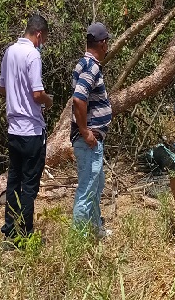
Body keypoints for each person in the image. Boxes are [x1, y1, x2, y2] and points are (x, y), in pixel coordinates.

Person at [0, 14, 53, 240]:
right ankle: (25, 232)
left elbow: (2, 89)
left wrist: (15, 94)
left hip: (13, 129)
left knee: (14, 181)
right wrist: (49, 101)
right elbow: (37, 94)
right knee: (29, 185)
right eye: (44, 38)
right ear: (38, 34)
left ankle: (10, 229)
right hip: (31, 130)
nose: (43, 43)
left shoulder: (9, 52)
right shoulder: (33, 55)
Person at [71, 22, 112, 238]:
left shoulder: (83, 63)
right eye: (107, 43)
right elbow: (79, 98)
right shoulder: (91, 66)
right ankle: (78, 241)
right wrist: (85, 131)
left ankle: (96, 231)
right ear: (103, 43)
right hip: (88, 140)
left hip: (91, 140)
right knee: (87, 190)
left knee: (96, 186)